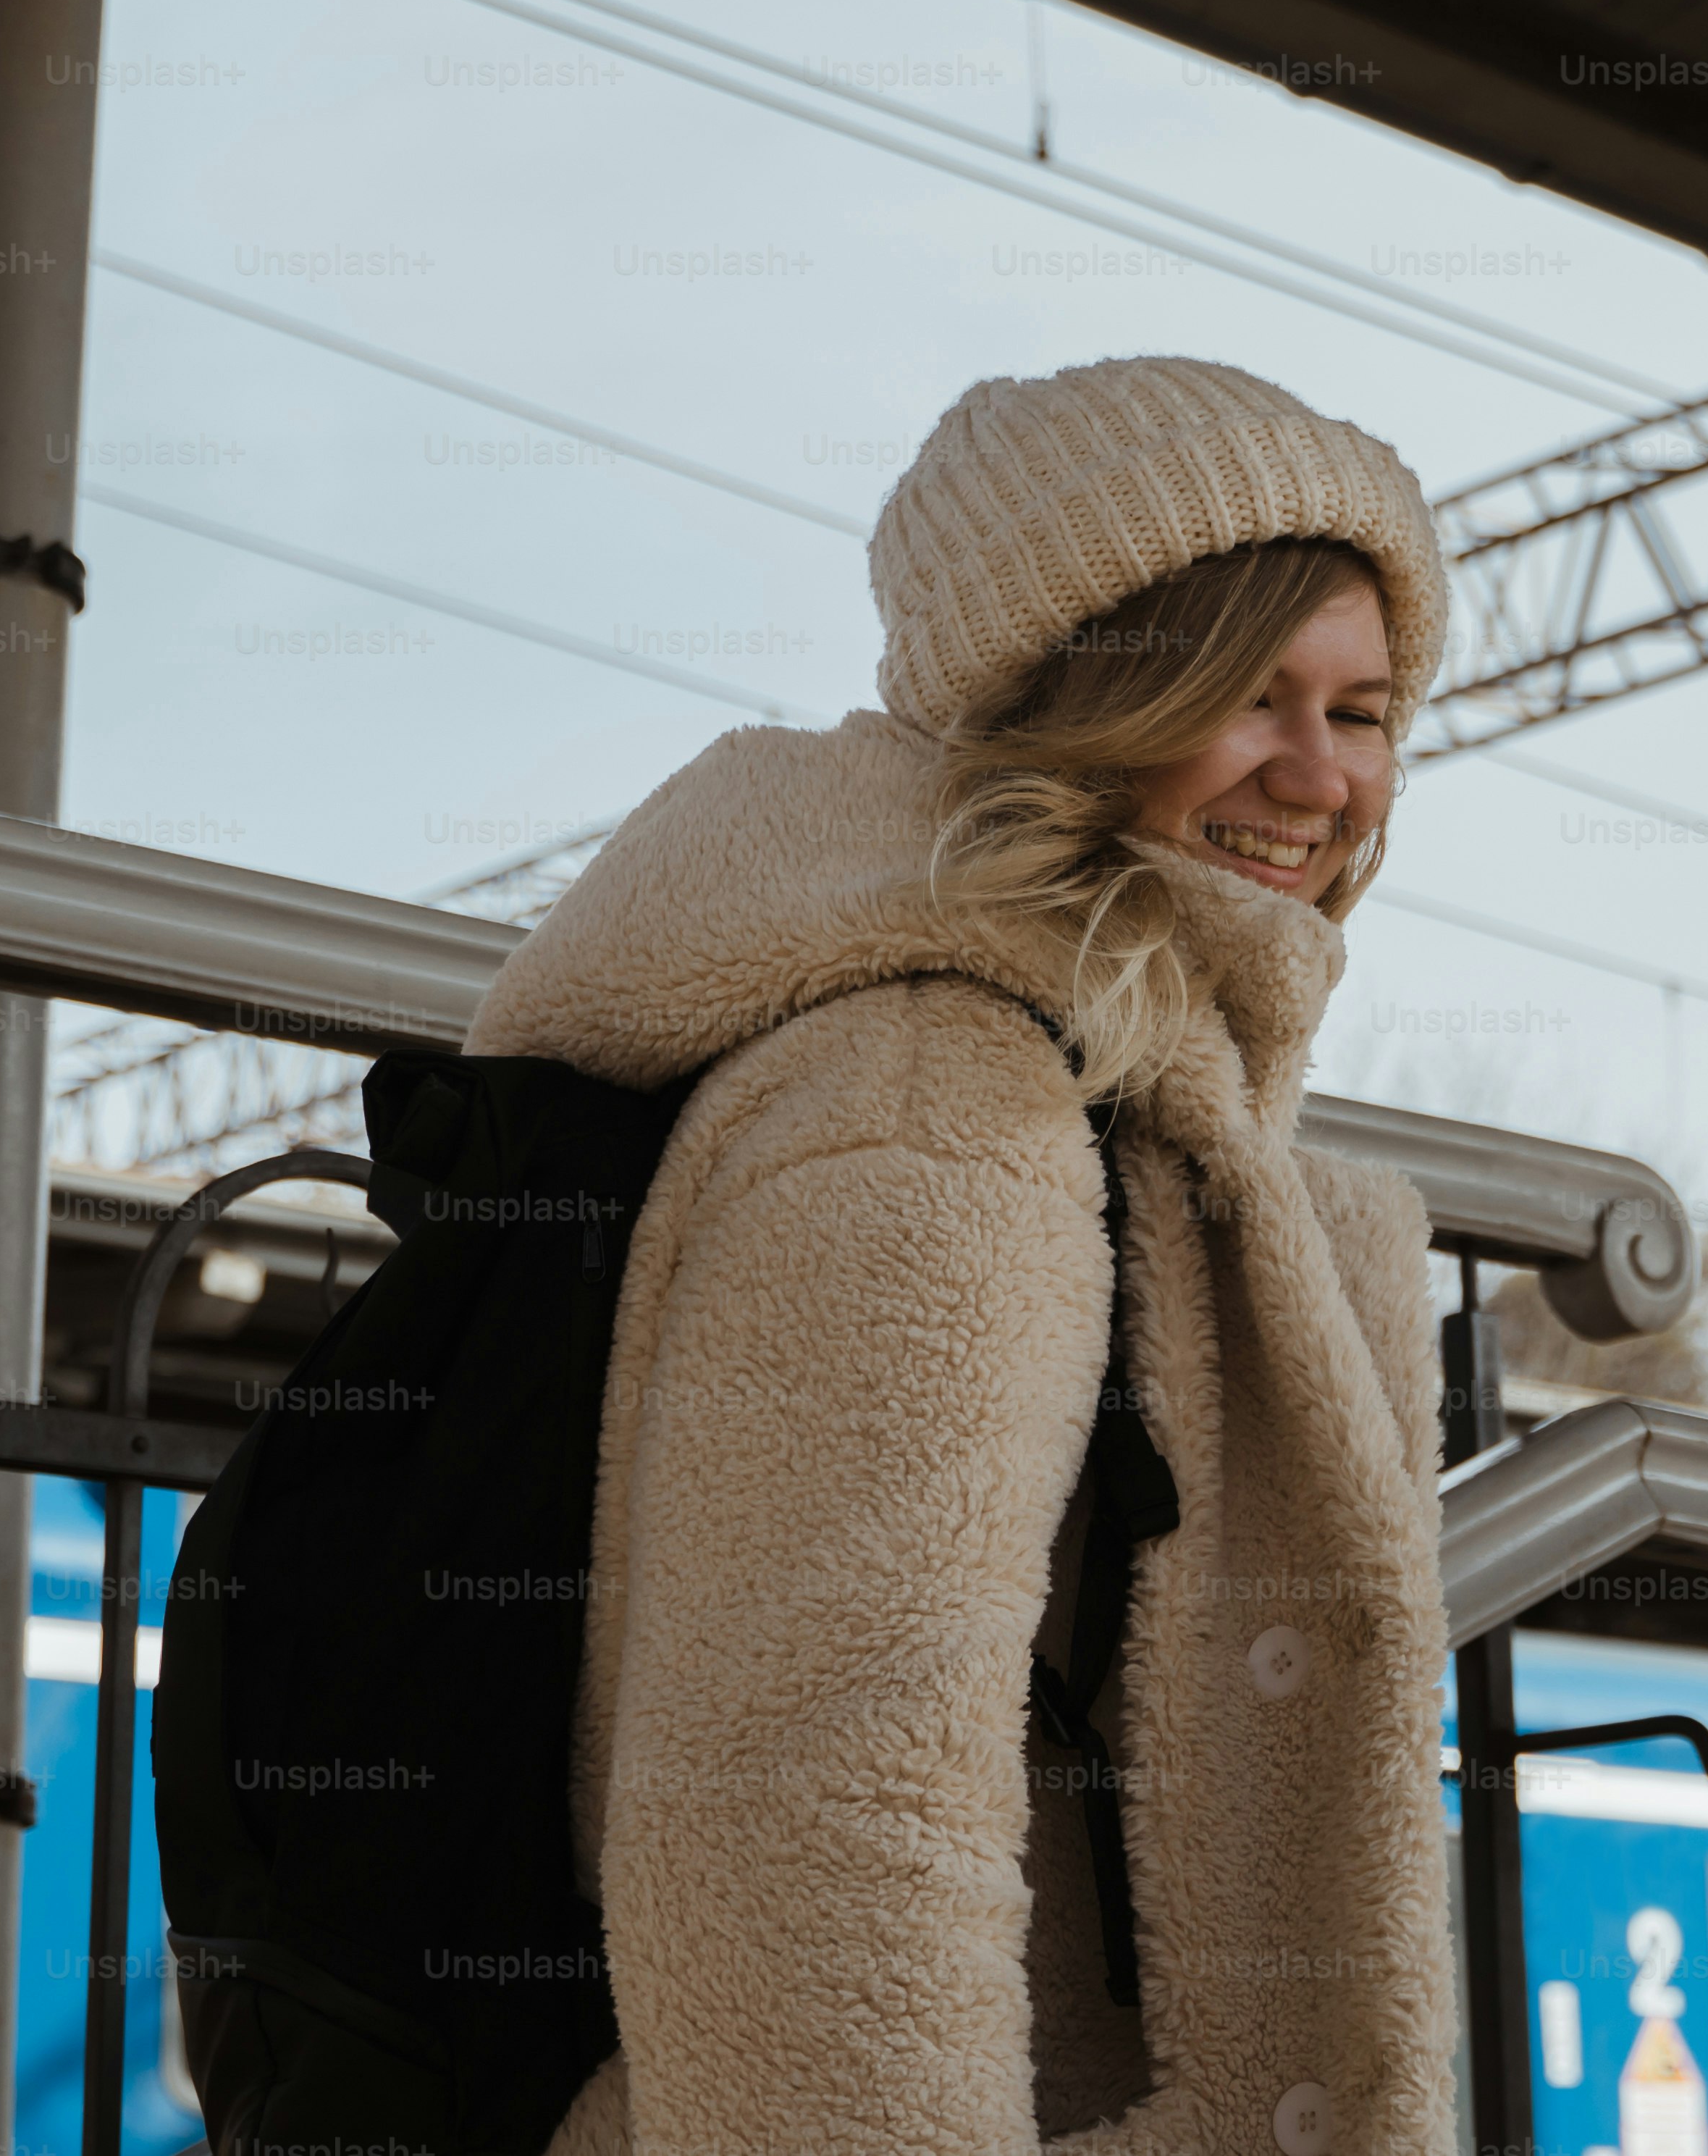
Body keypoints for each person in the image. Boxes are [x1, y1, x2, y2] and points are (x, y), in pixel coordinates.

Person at [470, 356, 1459, 2156]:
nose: (1322, 778)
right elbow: (812, 1803)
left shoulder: (1110, 1101)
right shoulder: (941, 1106)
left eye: (1366, 709)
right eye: (1247, 697)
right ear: (1083, 705)